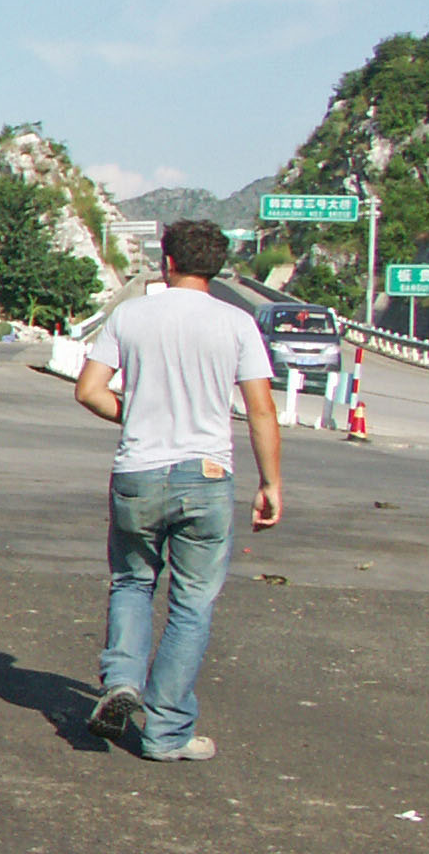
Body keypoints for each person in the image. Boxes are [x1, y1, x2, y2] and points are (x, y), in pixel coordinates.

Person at [74, 219, 283, 761]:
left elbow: (89, 391)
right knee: (191, 605)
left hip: (139, 472)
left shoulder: (131, 314)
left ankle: (121, 679)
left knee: (132, 581)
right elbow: (261, 409)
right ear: (216, 265)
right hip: (207, 477)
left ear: (167, 262)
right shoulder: (237, 324)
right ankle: (166, 735)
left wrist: (134, 413)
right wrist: (270, 483)